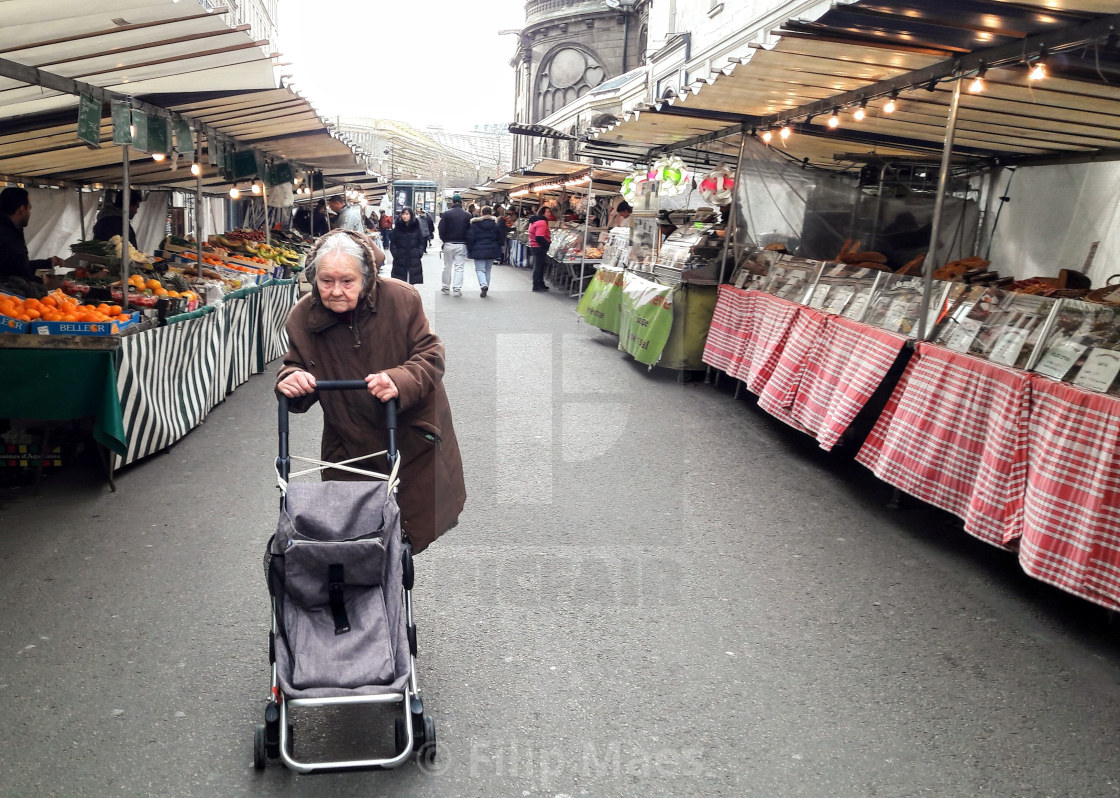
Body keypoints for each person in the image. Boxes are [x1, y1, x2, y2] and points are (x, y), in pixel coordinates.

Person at [276, 229, 465, 553]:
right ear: (314, 278)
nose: (335, 291)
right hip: (349, 443)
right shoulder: (301, 317)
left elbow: (431, 354)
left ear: (366, 277)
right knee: (354, 541)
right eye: (326, 281)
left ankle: (391, 585)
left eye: (346, 281)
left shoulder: (401, 299)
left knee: (407, 527)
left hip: (408, 433)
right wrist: (292, 379)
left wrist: (399, 379)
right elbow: (297, 365)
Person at [0, 187, 64, 295]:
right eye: (29, 208)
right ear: (22, 209)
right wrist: (42, 282)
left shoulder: (12, 230)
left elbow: (17, 265)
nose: (30, 212)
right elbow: (13, 275)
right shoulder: (6, 234)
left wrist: (48, 262)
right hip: (8, 298)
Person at [437, 194, 472, 296]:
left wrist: (444, 240)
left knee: (447, 266)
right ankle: (457, 289)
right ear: (461, 202)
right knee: (459, 267)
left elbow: (441, 229)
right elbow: (470, 231)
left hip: (448, 243)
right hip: (461, 244)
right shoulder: (467, 215)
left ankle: (445, 287)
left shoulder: (446, 214)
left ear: (452, 202)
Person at [466, 205, 504, 298]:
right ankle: (486, 287)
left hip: (478, 250)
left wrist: (470, 249)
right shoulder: (495, 225)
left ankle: (483, 285)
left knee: (480, 269)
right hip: (491, 250)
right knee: (488, 270)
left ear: (481, 213)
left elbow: (470, 238)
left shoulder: (475, 224)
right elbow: (500, 238)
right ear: (491, 213)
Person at [389, 206, 425, 284]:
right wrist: (396, 254)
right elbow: (393, 243)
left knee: (412, 282)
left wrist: (419, 252)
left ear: (411, 215)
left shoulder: (416, 227)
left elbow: (421, 241)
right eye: (403, 214)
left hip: (413, 258)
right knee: (400, 283)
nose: (405, 216)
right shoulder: (398, 227)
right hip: (400, 259)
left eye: (407, 214)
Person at [527, 204, 553, 292]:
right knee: (538, 266)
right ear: (543, 213)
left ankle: (540, 283)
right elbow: (539, 237)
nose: (549, 214)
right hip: (539, 247)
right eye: (548, 212)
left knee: (539, 266)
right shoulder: (542, 223)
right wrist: (547, 244)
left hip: (534, 246)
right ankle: (537, 285)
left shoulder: (535, 221)